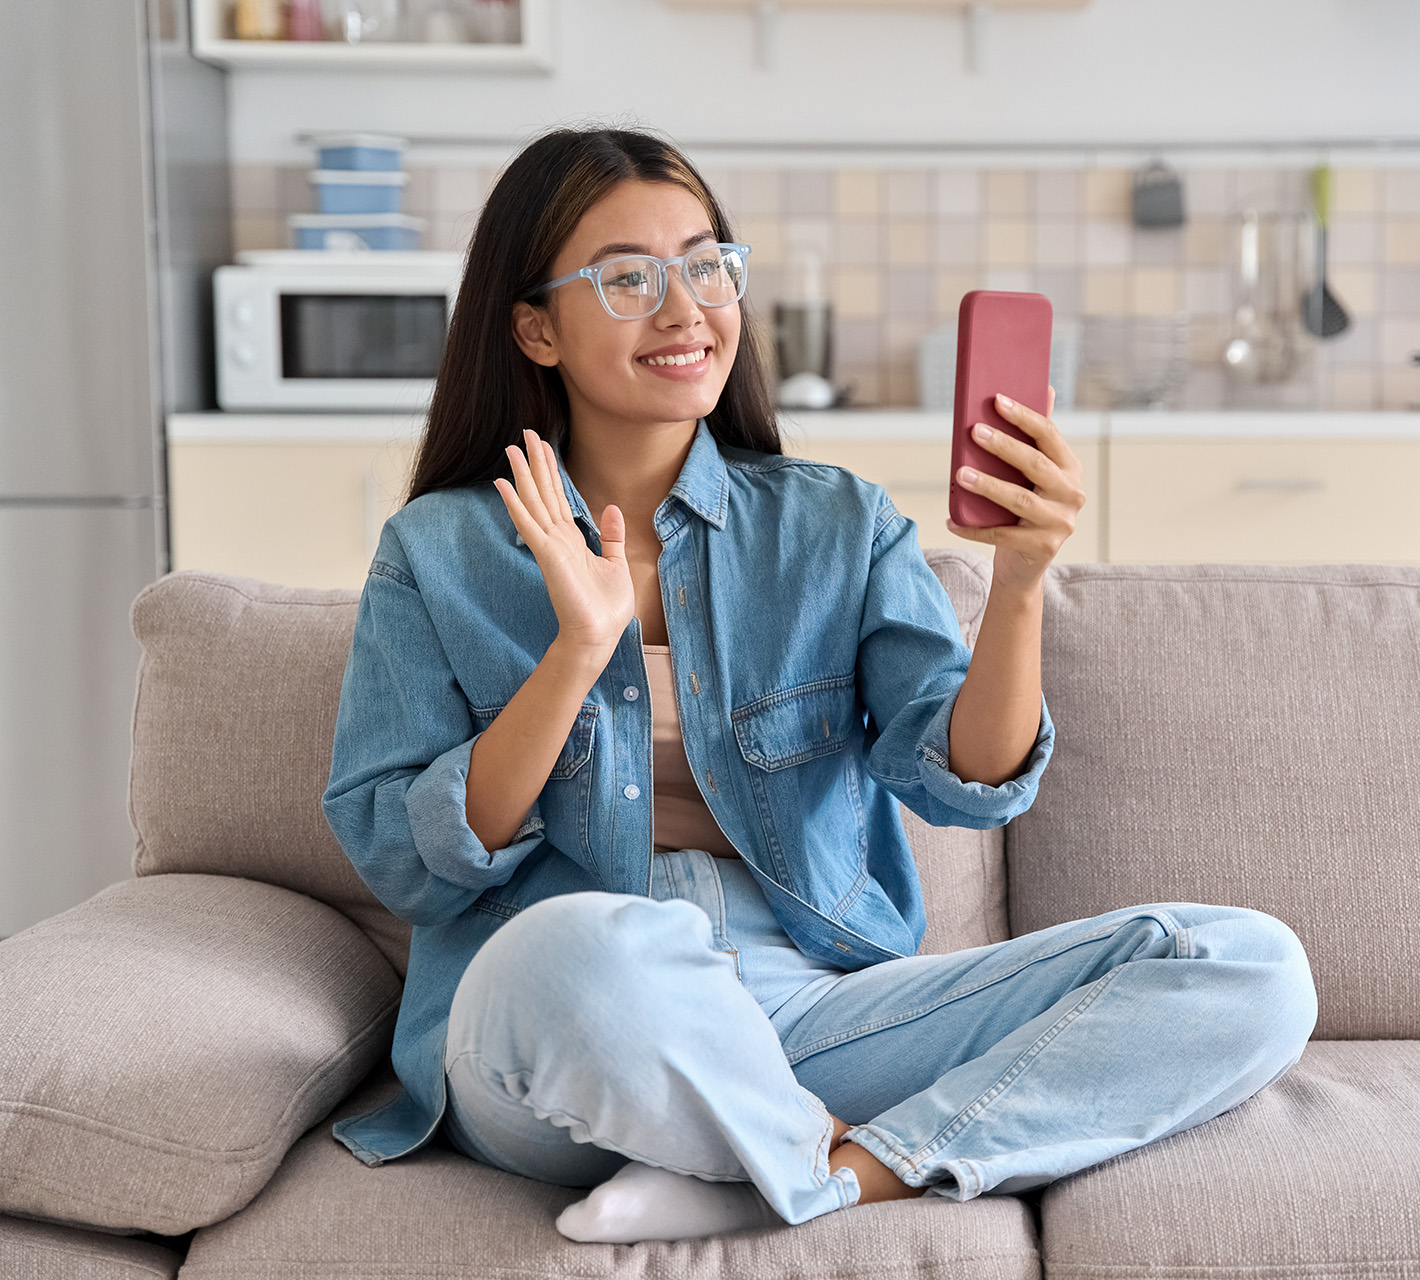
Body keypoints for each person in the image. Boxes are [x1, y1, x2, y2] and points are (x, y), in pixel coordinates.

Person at [321, 126, 1318, 1243]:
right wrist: (574, 653)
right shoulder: (437, 550)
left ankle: (825, 1172)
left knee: (1248, 964)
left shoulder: (834, 522)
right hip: (565, 1021)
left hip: (805, 1006)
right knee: (579, 949)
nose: (684, 306)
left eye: (706, 264)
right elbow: (410, 862)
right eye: (628, 278)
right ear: (535, 326)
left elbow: (967, 781)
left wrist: (1024, 581)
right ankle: (782, 1152)